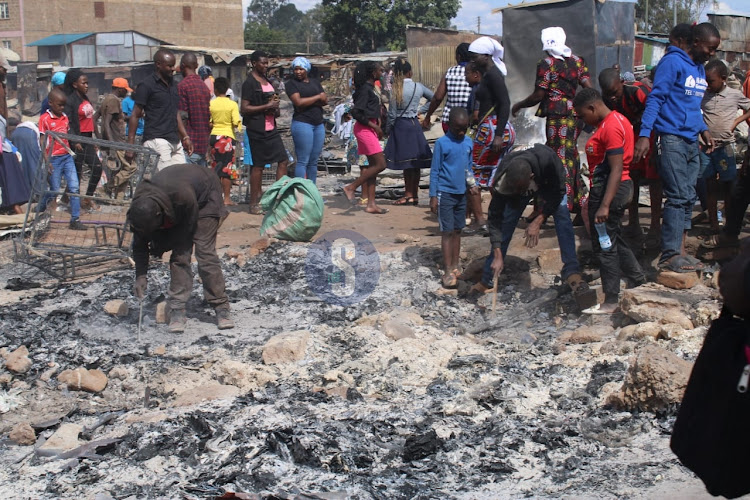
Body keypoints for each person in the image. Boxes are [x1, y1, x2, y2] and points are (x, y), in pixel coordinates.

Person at [633, 22, 721, 273]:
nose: (712, 53)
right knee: (678, 196)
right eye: (710, 48)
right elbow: (656, 98)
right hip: (670, 138)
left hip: (691, 140)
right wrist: (644, 134)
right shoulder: (672, 63)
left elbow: (693, 106)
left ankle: (681, 252)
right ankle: (669, 255)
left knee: (688, 196)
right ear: (696, 43)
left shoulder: (699, 70)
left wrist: (703, 129)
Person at [129, 163, 234, 333]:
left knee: (201, 253)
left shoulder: (181, 197)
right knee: (180, 256)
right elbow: (140, 243)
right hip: (179, 201)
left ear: (159, 215)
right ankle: (177, 309)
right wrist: (141, 276)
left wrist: (164, 244)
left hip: (205, 195)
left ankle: (221, 306)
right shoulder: (141, 209)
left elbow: (187, 230)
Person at [478, 144, 587, 301]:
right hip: (520, 182)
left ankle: (571, 270)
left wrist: (538, 220)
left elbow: (558, 194)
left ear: (531, 177)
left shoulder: (549, 162)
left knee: (562, 215)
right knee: (507, 222)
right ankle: (488, 278)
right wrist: (497, 252)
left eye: (521, 190)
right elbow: (495, 219)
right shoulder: (504, 177)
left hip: (549, 183)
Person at [574, 88, 646, 314]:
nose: (583, 120)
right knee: (613, 238)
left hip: (609, 190)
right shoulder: (612, 122)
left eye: (583, 115)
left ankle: (611, 301)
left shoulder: (612, 127)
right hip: (609, 189)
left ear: (593, 107)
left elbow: (616, 169)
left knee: (604, 245)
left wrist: (604, 204)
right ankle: (638, 279)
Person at [512, 26, 593, 213]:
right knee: (571, 157)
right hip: (575, 116)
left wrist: (519, 105)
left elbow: (538, 95)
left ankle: (558, 206)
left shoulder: (547, 64)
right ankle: (580, 206)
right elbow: (589, 88)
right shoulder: (578, 61)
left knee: (558, 161)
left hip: (558, 118)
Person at [599, 67, 663, 250]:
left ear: (621, 82)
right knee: (631, 179)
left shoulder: (637, 90)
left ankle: (655, 227)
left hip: (647, 137)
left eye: (614, 92)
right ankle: (633, 222)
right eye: (608, 94)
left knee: (654, 180)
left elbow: (655, 111)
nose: (612, 97)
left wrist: (650, 142)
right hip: (628, 140)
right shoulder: (608, 101)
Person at [466, 36, 515, 235]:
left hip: (492, 130)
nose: (472, 60)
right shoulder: (488, 74)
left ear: (485, 56)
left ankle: (481, 220)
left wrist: (498, 135)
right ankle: (499, 218)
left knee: (472, 175)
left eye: (474, 56)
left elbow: (505, 104)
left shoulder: (494, 76)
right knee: (495, 175)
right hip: (493, 128)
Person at [698, 60, 750, 235]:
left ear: (723, 79)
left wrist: (736, 121)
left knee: (729, 186)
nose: (708, 84)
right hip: (706, 148)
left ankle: (730, 224)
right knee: (710, 186)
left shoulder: (734, 95)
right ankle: (714, 223)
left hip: (725, 147)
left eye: (711, 81)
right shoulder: (703, 95)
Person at [429, 108, 476, 288]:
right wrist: (433, 196)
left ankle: (456, 266)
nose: (461, 132)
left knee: (458, 229)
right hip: (445, 193)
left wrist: (472, 184)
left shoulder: (468, 142)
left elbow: (468, 168)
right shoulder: (442, 143)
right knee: (447, 231)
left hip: (461, 193)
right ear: (449, 125)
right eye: (458, 129)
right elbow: (435, 171)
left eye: (464, 128)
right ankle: (448, 269)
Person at [126, 49, 193, 171]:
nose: (173, 69)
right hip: (157, 140)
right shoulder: (146, 85)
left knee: (182, 180)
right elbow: (135, 115)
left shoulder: (173, 85)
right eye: (169, 66)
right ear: (158, 64)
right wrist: (130, 145)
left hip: (175, 141)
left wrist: (185, 137)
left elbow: (175, 112)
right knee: (165, 181)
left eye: (173, 65)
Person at [241, 50, 289, 215]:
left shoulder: (268, 81)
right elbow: (245, 108)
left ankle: (278, 198)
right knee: (258, 166)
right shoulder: (249, 83)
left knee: (283, 160)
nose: (265, 65)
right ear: (254, 63)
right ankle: (254, 203)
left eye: (267, 63)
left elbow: (274, 100)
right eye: (262, 62)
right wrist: (266, 107)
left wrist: (275, 107)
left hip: (271, 128)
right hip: (257, 129)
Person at [340, 61, 389, 215]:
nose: (381, 73)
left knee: (373, 167)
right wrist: (374, 126)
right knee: (381, 164)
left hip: (371, 128)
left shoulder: (371, 89)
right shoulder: (364, 90)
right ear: (372, 72)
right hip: (365, 129)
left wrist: (377, 124)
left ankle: (371, 204)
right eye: (379, 70)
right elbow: (356, 112)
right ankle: (351, 187)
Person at [384, 58, 433, 205]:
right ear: (410, 72)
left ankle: (407, 194)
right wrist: (421, 110)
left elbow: (392, 114)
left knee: (406, 164)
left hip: (401, 126)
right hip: (414, 125)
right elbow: (434, 98)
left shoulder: (396, 89)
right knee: (415, 163)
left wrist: (388, 130)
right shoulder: (418, 86)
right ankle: (415, 195)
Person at [36, 89, 87, 231]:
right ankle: (40, 206)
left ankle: (75, 219)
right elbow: (42, 139)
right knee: (55, 190)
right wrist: (46, 159)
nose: (62, 108)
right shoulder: (44, 119)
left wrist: (75, 143)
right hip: (53, 158)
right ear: (51, 103)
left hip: (66, 157)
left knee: (74, 187)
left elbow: (67, 133)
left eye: (64, 105)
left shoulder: (64, 117)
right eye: (60, 105)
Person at [64, 68, 103, 210]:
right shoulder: (70, 100)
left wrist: (93, 140)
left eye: (87, 83)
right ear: (75, 84)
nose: (87, 85)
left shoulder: (84, 98)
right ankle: (67, 201)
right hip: (77, 140)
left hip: (87, 139)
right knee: (77, 173)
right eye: (84, 83)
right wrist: (75, 141)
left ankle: (87, 198)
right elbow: (68, 122)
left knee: (97, 168)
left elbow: (89, 121)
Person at [286, 56, 327, 183]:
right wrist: (316, 98)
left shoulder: (315, 82)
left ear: (306, 69)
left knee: (313, 161)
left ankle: (312, 192)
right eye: (296, 69)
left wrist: (314, 99)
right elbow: (298, 102)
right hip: (302, 123)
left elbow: (325, 100)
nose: (298, 72)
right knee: (303, 160)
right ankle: (300, 192)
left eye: (301, 69)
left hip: (318, 124)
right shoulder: (291, 84)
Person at [94, 77, 137, 199]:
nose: (126, 93)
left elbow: (94, 118)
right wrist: (112, 144)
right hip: (117, 142)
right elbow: (107, 122)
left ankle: (119, 199)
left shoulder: (107, 99)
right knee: (131, 168)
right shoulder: (113, 101)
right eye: (125, 90)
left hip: (114, 141)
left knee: (122, 170)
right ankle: (107, 187)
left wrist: (100, 138)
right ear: (119, 89)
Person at [422, 43, 473, 133]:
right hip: (469, 122)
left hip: (449, 122)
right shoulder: (476, 74)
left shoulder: (450, 72)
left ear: (458, 56)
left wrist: (428, 116)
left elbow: (438, 98)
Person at [209, 77, 242, 205]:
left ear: (215, 90)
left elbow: (209, 122)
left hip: (214, 137)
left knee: (215, 167)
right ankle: (226, 199)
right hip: (227, 138)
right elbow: (236, 122)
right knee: (227, 169)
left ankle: (215, 199)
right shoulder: (232, 104)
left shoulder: (211, 104)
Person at [178, 53, 212, 166]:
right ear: (196, 65)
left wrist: (182, 139)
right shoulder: (204, 87)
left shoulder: (182, 86)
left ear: (183, 66)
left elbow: (182, 117)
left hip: (189, 146)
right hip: (203, 144)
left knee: (185, 181)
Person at [11, 121, 41, 192]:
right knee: (34, 164)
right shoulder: (38, 128)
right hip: (29, 133)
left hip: (15, 134)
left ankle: (25, 192)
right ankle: (38, 193)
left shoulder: (18, 127)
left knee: (21, 163)